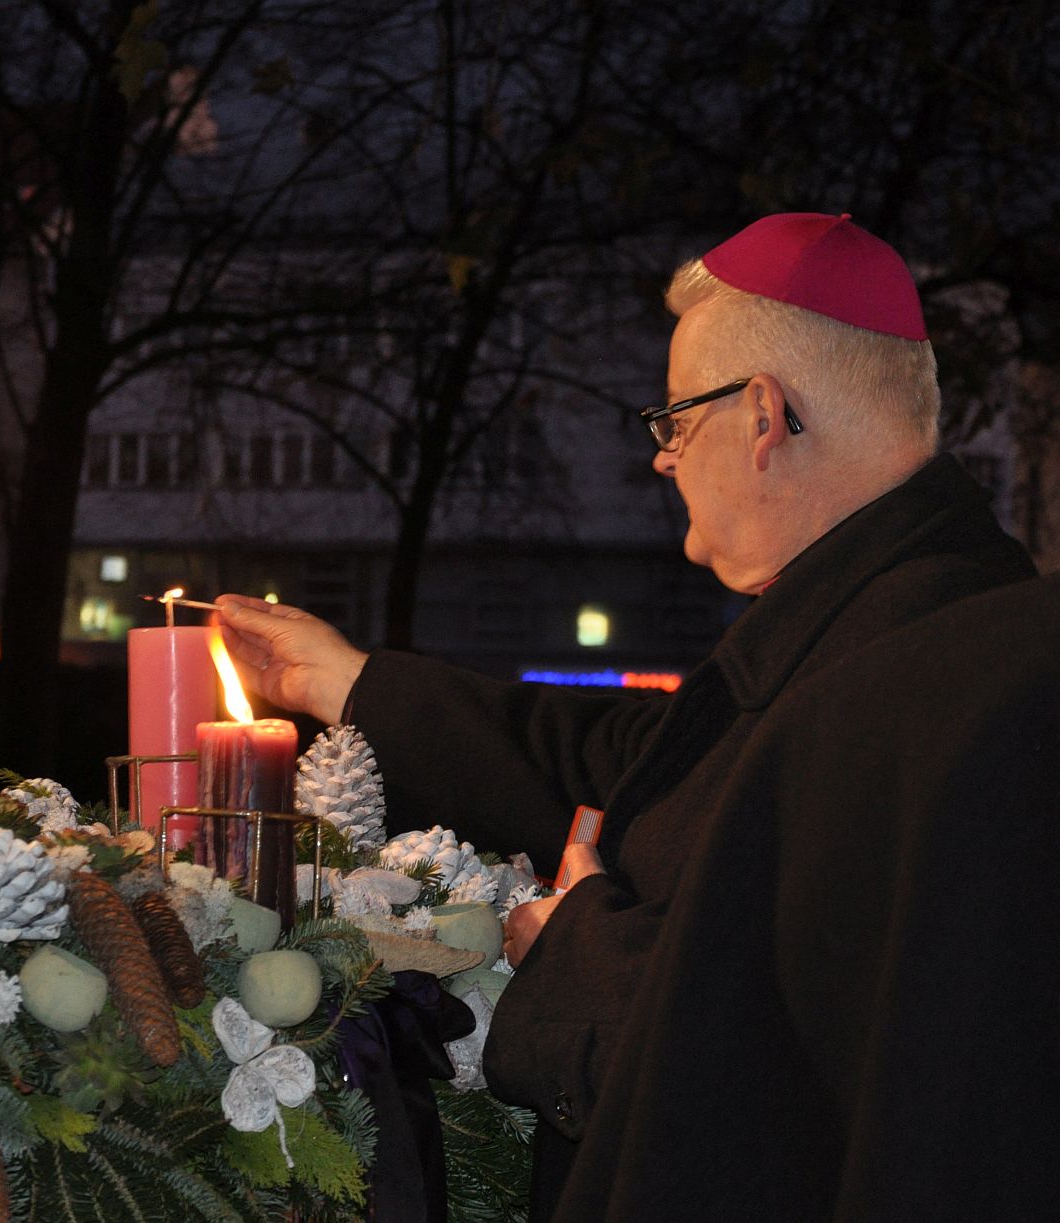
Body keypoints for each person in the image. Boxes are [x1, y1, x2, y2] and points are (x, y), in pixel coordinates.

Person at [216, 212, 1043, 1221]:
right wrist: (346, 682)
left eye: (675, 421)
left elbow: (799, 1059)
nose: (664, 458)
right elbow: (625, 763)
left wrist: (576, 951)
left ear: (763, 415)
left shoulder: (918, 681)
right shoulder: (871, 619)